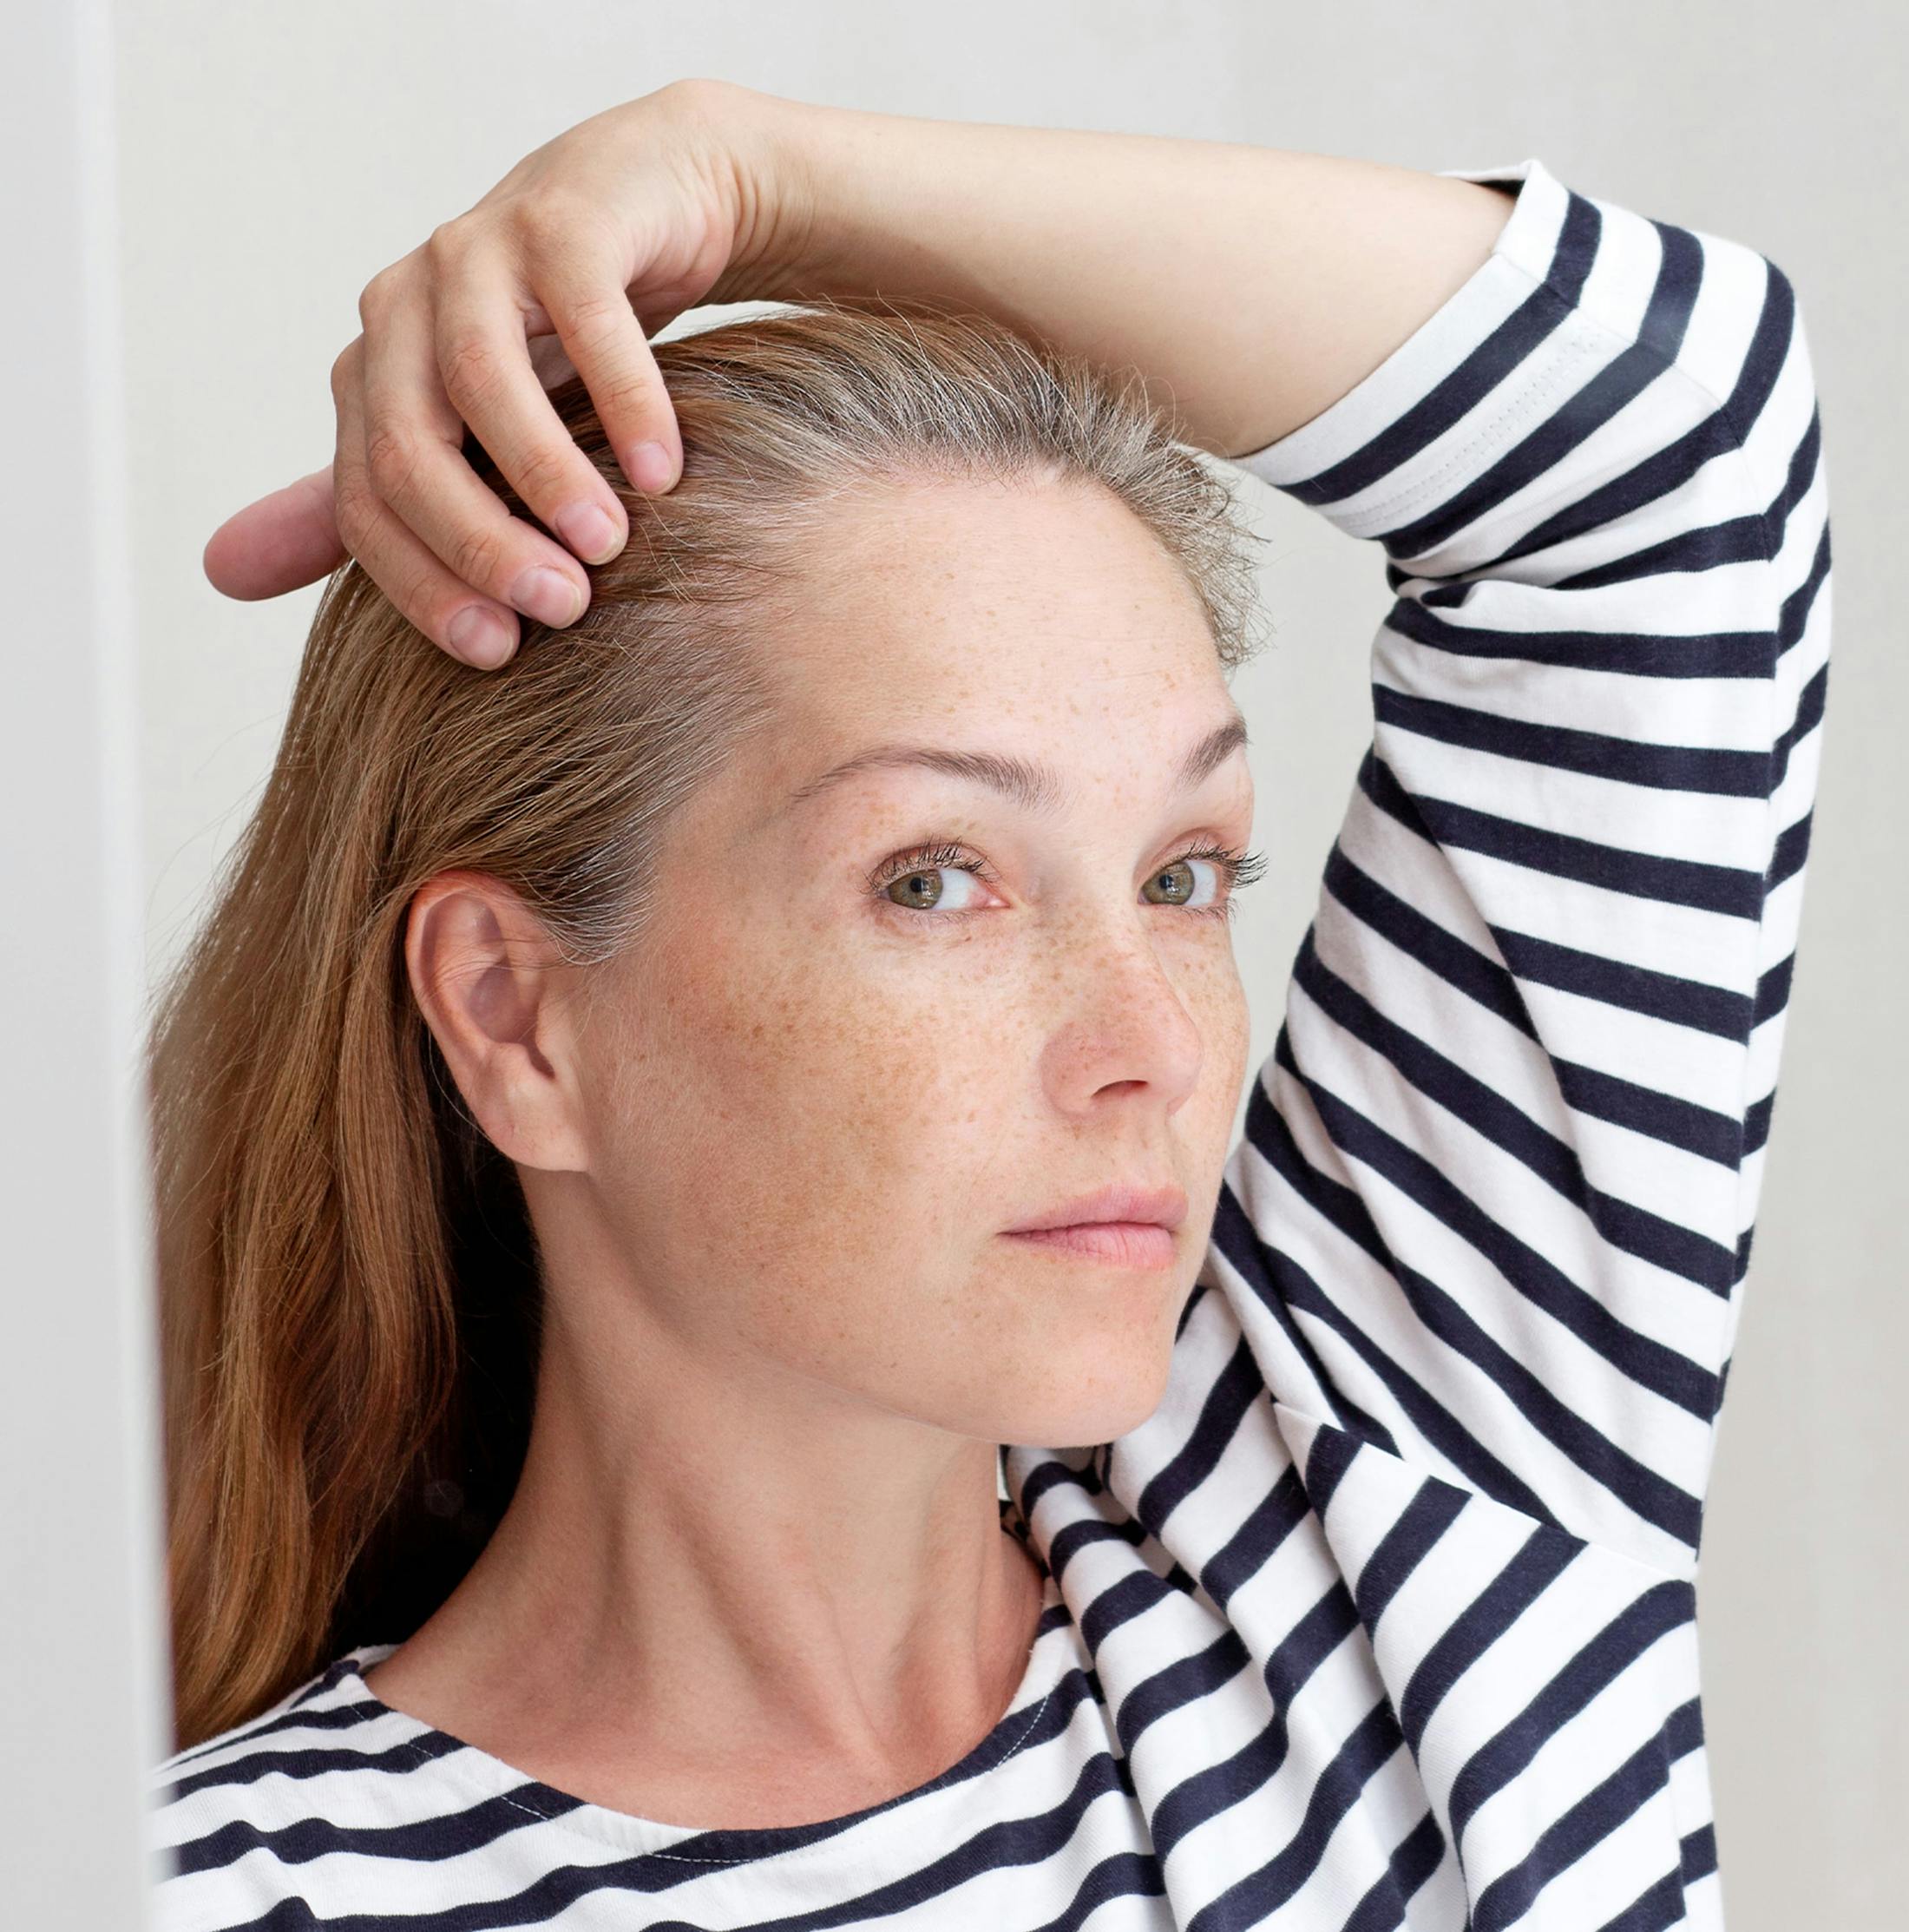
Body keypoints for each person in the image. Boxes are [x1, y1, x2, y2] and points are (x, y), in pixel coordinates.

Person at [144, 78, 1830, 1929]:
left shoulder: (1396, 1537)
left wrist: (753, 175)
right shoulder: (206, 1897)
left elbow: (1675, 450)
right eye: (935, 878)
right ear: (515, 1020)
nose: (1155, 1052)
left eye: (1182, 877)